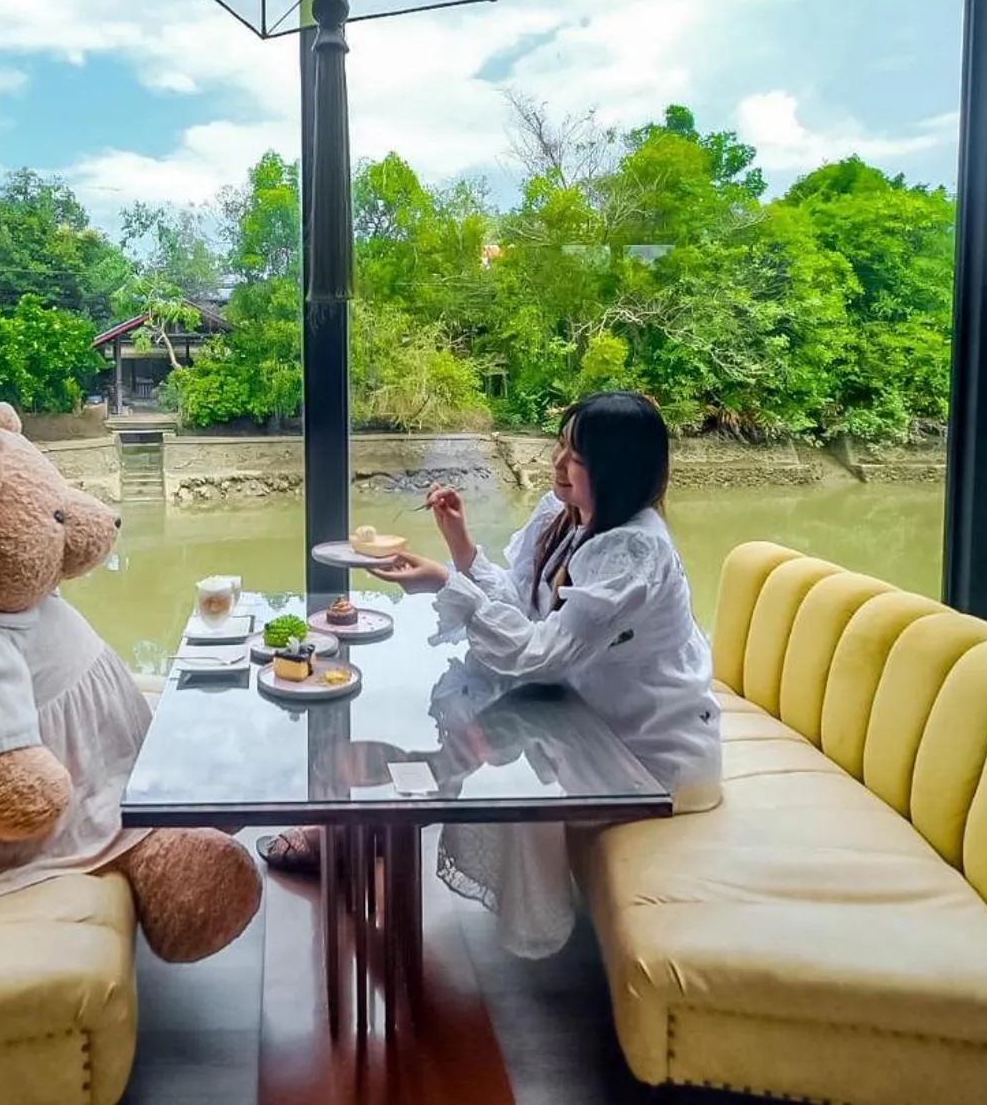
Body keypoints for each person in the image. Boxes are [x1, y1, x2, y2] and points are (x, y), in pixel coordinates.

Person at [258, 391, 722, 958]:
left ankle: (366, 836)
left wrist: (443, 585)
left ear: (617, 469)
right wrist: (460, 546)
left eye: (575, 456)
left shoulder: (633, 550)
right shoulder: (565, 516)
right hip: (579, 713)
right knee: (463, 727)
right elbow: (526, 614)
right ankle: (370, 832)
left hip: (643, 755)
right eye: (560, 445)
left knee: (474, 743)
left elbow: (541, 653)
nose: (557, 463)